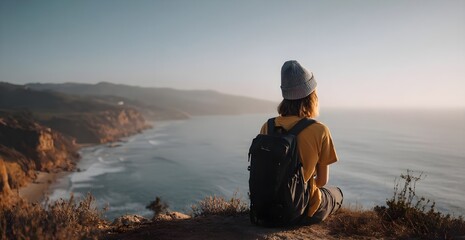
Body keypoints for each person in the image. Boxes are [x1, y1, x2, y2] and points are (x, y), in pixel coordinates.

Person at [260, 60, 343, 224]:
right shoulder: (319, 130)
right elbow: (321, 181)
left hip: (267, 209)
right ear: (311, 96)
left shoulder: (267, 126)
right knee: (337, 194)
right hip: (303, 210)